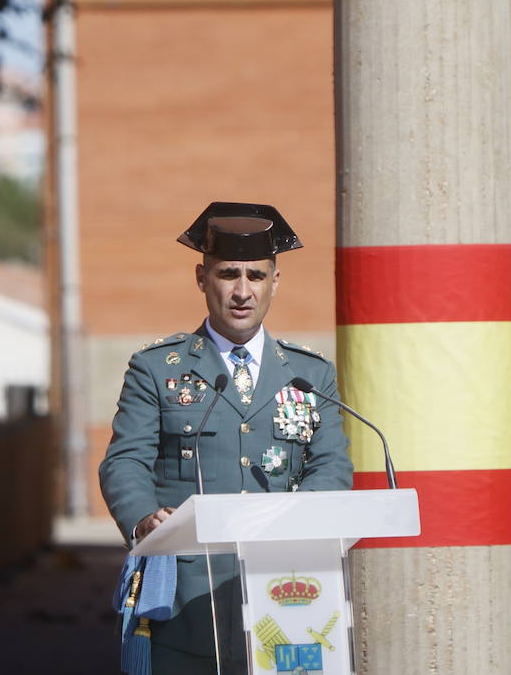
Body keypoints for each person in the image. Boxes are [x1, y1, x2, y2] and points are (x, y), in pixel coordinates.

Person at [100, 201, 352, 675]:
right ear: (202, 278)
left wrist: (297, 528)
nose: (242, 291)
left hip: (287, 591)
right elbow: (124, 462)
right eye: (228, 274)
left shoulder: (309, 373)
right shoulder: (156, 369)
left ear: (274, 282)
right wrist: (143, 522)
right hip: (184, 600)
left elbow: (332, 467)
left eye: (255, 276)